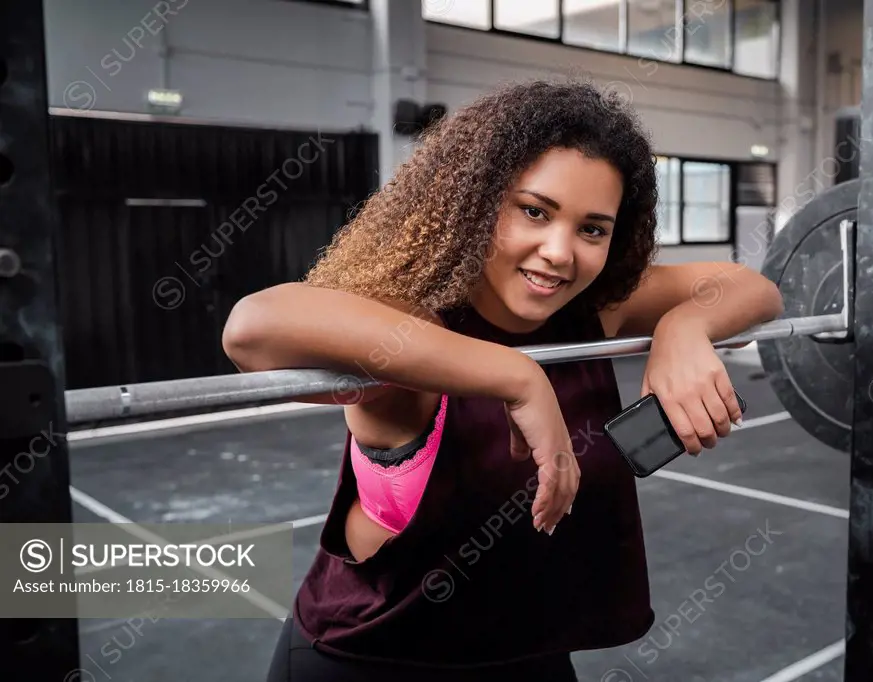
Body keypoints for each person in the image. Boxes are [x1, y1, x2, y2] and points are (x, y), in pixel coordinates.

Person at [221, 78, 784, 682]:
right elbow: (253, 328)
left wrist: (685, 329)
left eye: (592, 229)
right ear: (476, 201)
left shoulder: (592, 309)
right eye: (534, 212)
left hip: (527, 654)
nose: (560, 252)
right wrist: (515, 377)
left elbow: (754, 287)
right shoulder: (413, 325)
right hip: (370, 659)